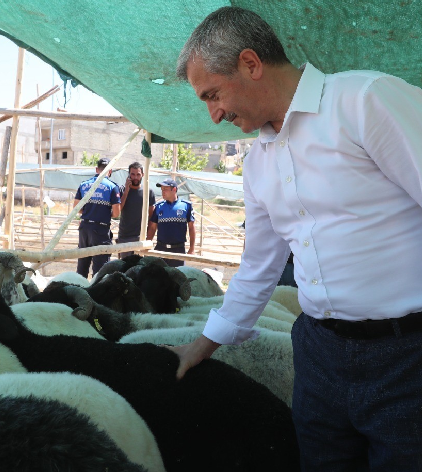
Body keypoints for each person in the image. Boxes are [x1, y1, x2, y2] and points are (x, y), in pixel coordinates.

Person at [171, 6, 422, 471]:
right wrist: (202, 345)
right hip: (318, 356)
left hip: (407, 357)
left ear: (250, 63)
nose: (214, 115)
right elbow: (258, 267)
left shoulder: (364, 100)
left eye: (212, 94)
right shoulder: (258, 164)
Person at [74, 157, 120, 278]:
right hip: (100, 229)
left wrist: (90, 212)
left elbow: (76, 208)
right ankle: (96, 294)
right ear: (109, 171)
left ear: (96, 169)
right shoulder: (112, 187)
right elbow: (116, 213)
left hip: (84, 228)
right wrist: (103, 214)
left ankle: (79, 291)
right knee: (100, 269)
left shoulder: (83, 185)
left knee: (82, 265)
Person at [147, 178, 195, 267]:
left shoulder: (186, 206)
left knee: (177, 277)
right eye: (162, 189)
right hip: (160, 249)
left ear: (174, 189)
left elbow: (191, 228)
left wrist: (192, 248)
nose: (163, 192)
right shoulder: (159, 207)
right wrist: (147, 245)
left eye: (165, 189)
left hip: (178, 250)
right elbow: (153, 227)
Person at [117, 162, 156, 258]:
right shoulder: (122, 190)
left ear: (142, 175)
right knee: (124, 267)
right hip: (124, 237)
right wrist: (126, 191)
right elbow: (118, 210)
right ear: (129, 175)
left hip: (141, 237)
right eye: (133, 174)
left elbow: (152, 217)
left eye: (138, 174)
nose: (135, 177)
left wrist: (148, 239)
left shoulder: (148, 192)